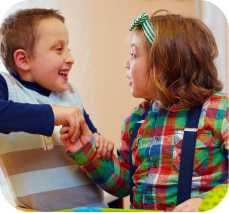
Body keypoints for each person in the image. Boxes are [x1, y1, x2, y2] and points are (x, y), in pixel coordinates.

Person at [61, 11, 229, 211]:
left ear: (164, 63)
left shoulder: (219, 111)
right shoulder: (136, 120)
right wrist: (86, 151)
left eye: (133, 55)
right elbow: (123, 185)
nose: (126, 64)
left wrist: (209, 202)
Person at [0, 8, 113, 211]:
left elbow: (92, 139)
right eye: (59, 49)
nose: (70, 58)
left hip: (93, 208)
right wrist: (53, 113)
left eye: (68, 49)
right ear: (23, 60)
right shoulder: (7, 88)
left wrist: (101, 144)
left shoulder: (70, 95)